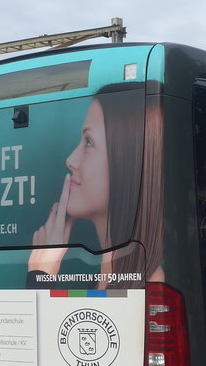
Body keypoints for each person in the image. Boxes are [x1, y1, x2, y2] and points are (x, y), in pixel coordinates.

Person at [27, 86, 163, 287]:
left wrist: (41, 274)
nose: (70, 160)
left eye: (89, 142)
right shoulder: (100, 278)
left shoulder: (153, 284)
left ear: (127, 161)